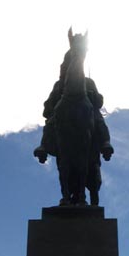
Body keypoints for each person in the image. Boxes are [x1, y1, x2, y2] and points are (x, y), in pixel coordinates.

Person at [34, 49, 113, 204]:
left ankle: (105, 142)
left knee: (98, 120)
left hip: (87, 113)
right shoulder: (59, 84)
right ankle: (44, 145)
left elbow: (99, 101)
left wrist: (92, 95)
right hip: (63, 118)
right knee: (50, 123)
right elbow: (47, 108)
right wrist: (54, 103)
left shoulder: (89, 82)